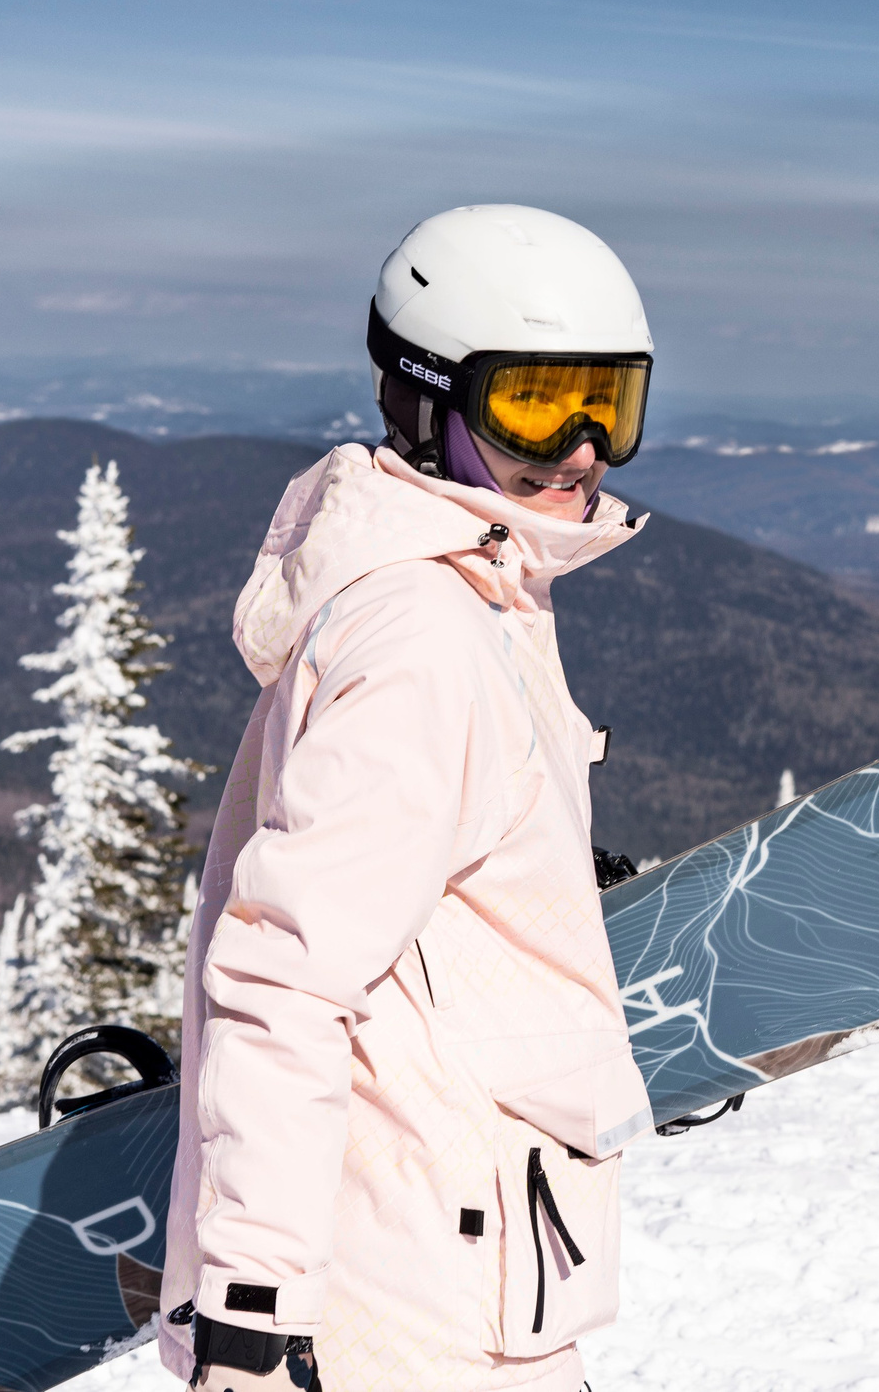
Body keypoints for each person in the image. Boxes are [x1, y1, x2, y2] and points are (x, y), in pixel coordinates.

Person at [158, 205, 659, 1392]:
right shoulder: (424, 641)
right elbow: (284, 980)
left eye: (610, 403)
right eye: (536, 403)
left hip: (470, 1259)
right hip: (415, 1306)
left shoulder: (476, 593)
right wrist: (254, 1320)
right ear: (427, 402)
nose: (581, 446)